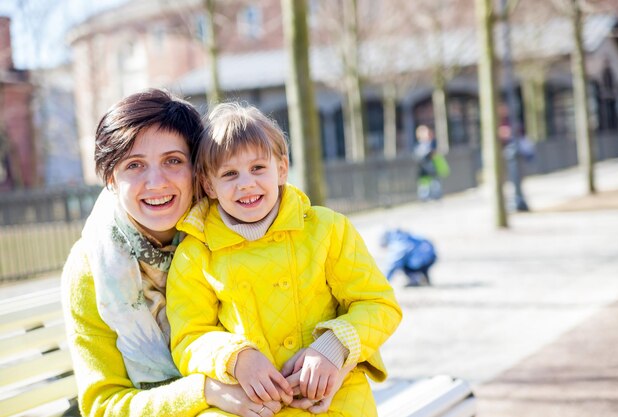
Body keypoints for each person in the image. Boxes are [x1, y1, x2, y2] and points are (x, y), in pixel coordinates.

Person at [166, 102, 403, 416]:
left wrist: (334, 348)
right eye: (229, 174)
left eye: (258, 168)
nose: (246, 183)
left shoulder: (328, 229)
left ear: (282, 168)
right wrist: (235, 358)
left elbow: (379, 304)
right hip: (254, 404)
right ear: (209, 185)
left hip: (336, 398)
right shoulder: (196, 255)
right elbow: (189, 337)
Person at [61, 89, 283, 417]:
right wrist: (206, 391)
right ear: (111, 178)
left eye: (173, 161)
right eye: (134, 165)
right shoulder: (91, 268)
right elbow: (103, 405)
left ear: (199, 171)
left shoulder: (240, 226)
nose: (156, 181)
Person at [414, 124, 447, 201]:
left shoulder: (432, 144)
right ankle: (424, 197)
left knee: (435, 183)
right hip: (423, 169)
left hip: (432, 168)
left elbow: (436, 154)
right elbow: (418, 156)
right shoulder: (418, 146)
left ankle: (436, 196)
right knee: (424, 184)